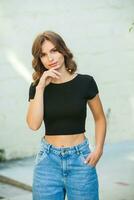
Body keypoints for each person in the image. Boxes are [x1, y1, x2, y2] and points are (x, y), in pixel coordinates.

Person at [26, 30, 107, 200]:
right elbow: (33, 125)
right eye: (44, 55)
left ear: (63, 50)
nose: (50, 58)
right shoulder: (37, 87)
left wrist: (98, 148)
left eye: (54, 51)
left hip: (81, 160)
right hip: (47, 162)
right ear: (39, 59)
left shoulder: (85, 82)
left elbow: (99, 118)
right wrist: (40, 88)